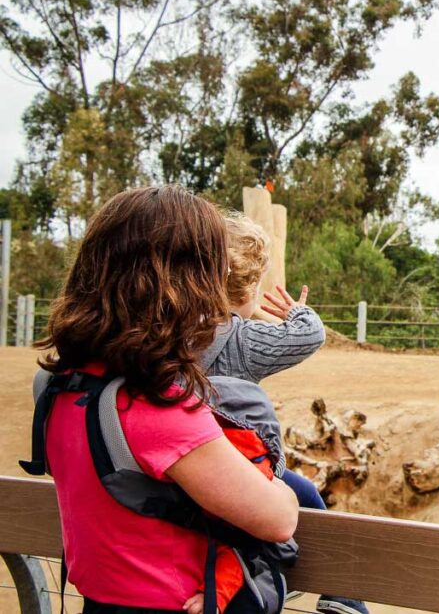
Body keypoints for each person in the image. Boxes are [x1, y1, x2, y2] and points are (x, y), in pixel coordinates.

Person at [35, 185, 299, 613]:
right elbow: (277, 518)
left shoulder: (61, 385)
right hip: (170, 601)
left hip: (100, 600)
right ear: (185, 285)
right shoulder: (159, 407)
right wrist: (286, 491)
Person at [198, 213, 368, 614]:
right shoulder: (240, 339)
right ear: (251, 285)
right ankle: (343, 597)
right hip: (237, 471)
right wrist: (298, 312)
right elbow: (310, 335)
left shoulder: (172, 332)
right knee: (305, 493)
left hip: (182, 466)